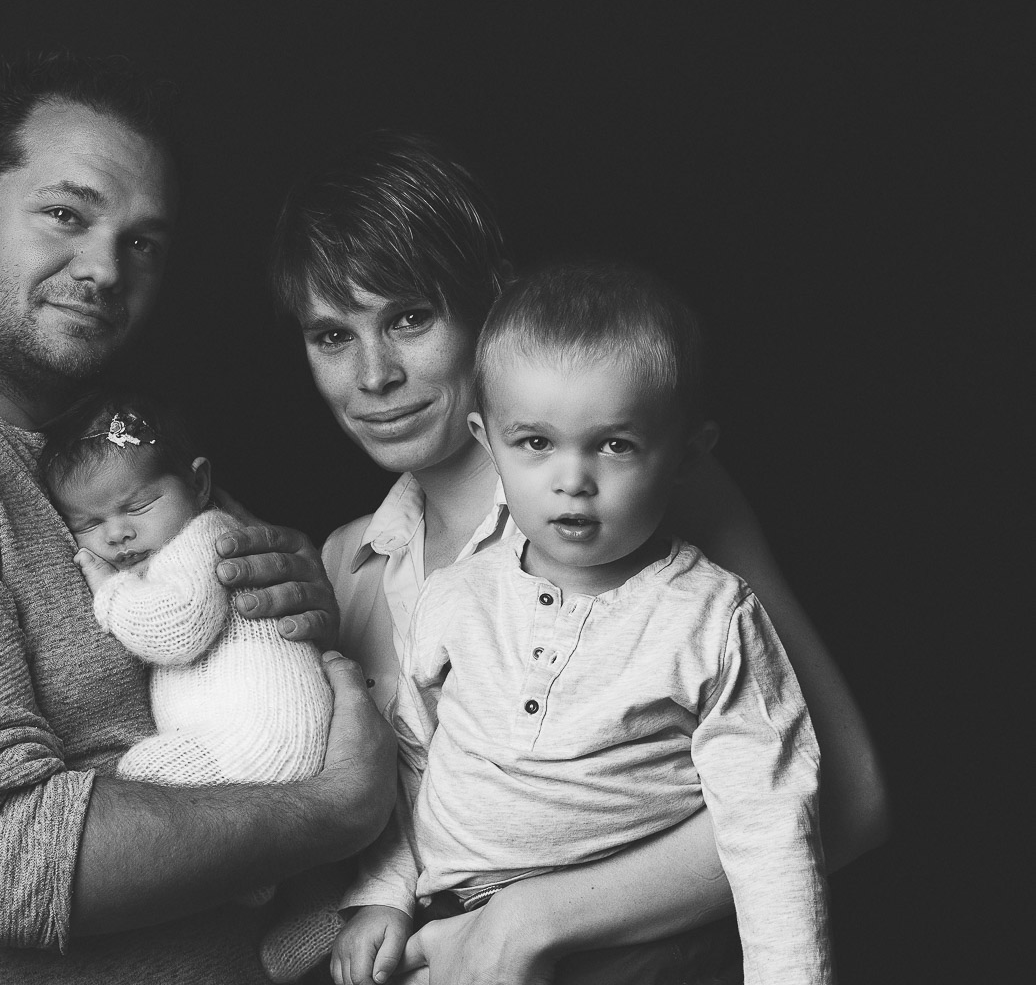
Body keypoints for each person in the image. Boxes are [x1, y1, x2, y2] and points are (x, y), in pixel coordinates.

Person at [0, 53, 396, 985]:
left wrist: (302, 618)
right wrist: (332, 810)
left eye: (143, 243)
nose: (103, 268)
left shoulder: (122, 453)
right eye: (65, 214)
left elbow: (250, 672)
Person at [268, 130, 889, 984]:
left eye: (410, 317)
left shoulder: (636, 496)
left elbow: (849, 800)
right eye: (333, 336)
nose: (373, 375)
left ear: (492, 302)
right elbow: (388, 820)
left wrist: (530, 921)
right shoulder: (349, 561)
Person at [333, 260, 831, 985]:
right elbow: (412, 759)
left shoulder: (712, 618)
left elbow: (772, 824)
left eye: (615, 445)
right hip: (458, 923)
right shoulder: (456, 596)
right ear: (489, 440)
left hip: (642, 944)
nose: (573, 480)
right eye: (536, 443)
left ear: (687, 456)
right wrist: (383, 896)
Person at [44, 393, 332, 790]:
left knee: (134, 779)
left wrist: (111, 591)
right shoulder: (167, 552)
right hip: (240, 747)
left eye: (139, 506)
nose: (117, 534)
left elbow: (178, 630)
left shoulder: (204, 538)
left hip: (260, 748)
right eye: (88, 524)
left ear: (197, 484)